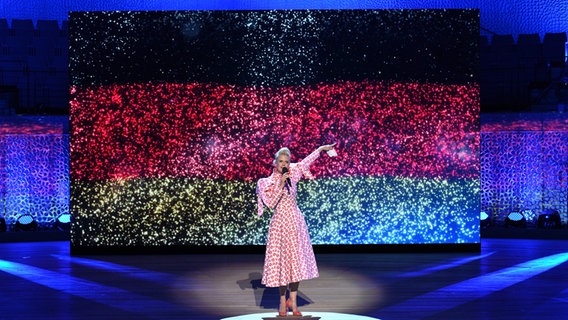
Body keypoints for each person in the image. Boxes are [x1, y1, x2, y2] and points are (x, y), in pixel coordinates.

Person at [256, 143, 336, 317]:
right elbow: (270, 204)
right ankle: (282, 299)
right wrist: (280, 184)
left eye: (287, 161)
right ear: (275, 163)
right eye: (281, 161)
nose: (284, 164)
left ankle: (293, 301)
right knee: (282, 263)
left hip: (295, 221)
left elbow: (306, 162)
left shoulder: (293, 172)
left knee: (296, 261)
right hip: (280, 223)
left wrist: (321, 149)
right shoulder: (268, 182)